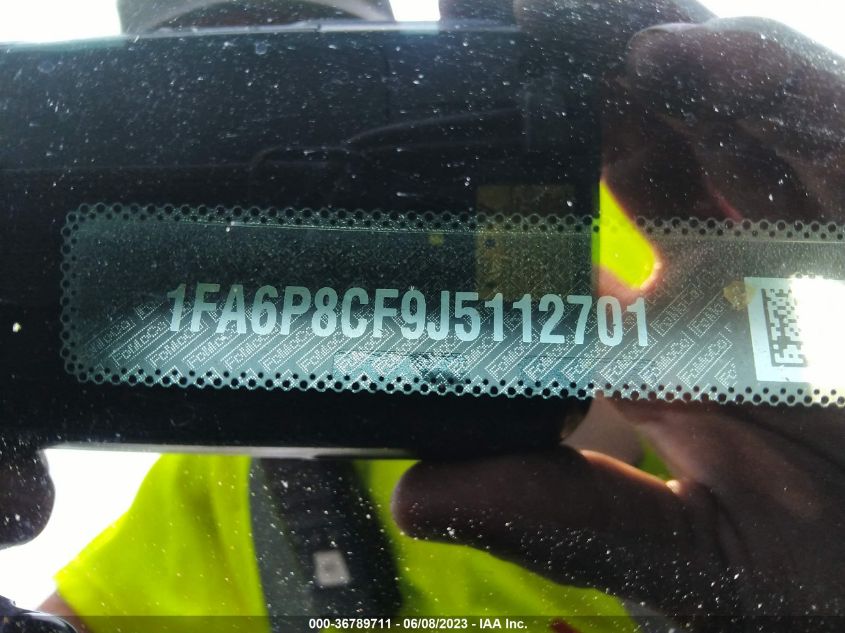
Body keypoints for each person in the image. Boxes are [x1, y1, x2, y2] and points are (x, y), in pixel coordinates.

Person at [4, 1, 844, 632]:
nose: (274, 169)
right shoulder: (197, 492)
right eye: (191, 108)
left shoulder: (660, 226)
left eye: (329, 80)